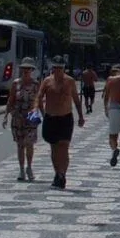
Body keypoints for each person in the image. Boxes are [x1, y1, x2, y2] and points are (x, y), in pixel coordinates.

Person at [33, 55, 85, 189]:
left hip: (65, 117)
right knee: (54, 148)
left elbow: (76, 100)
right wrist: (40, 111)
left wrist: (80, 116)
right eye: (55, 68)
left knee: (64, 147)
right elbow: (39, 96)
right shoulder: (47, 81)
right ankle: (57, 173)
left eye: (60, 68)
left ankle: (62, 174)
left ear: (64, 68)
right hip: (51, 118)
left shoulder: (70, 81)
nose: (57, 70)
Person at [3, 57, 41, 181]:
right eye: (23, 69)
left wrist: (44, 115)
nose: (26, 71)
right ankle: (21, 169)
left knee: (29, 144)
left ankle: (29, 167)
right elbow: (11, 99)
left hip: (31, 116)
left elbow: (39, 101)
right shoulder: (16, 83)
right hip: (18, 116)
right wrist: (6, 115)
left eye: (28, 69)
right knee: (20, 145)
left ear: (32, 70)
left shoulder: (36, 84)